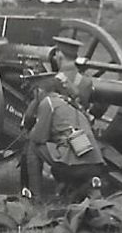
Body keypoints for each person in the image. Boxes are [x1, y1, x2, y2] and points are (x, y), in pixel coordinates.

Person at [21, 71, 106, 201]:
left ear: (39, 91)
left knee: (32, 146)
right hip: (96, 162)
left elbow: (38, 138)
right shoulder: (70, 103)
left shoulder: (48, 103)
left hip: (73, 163)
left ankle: (35, 196)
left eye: (34, 92)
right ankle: (89, 187)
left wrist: (31, 128)